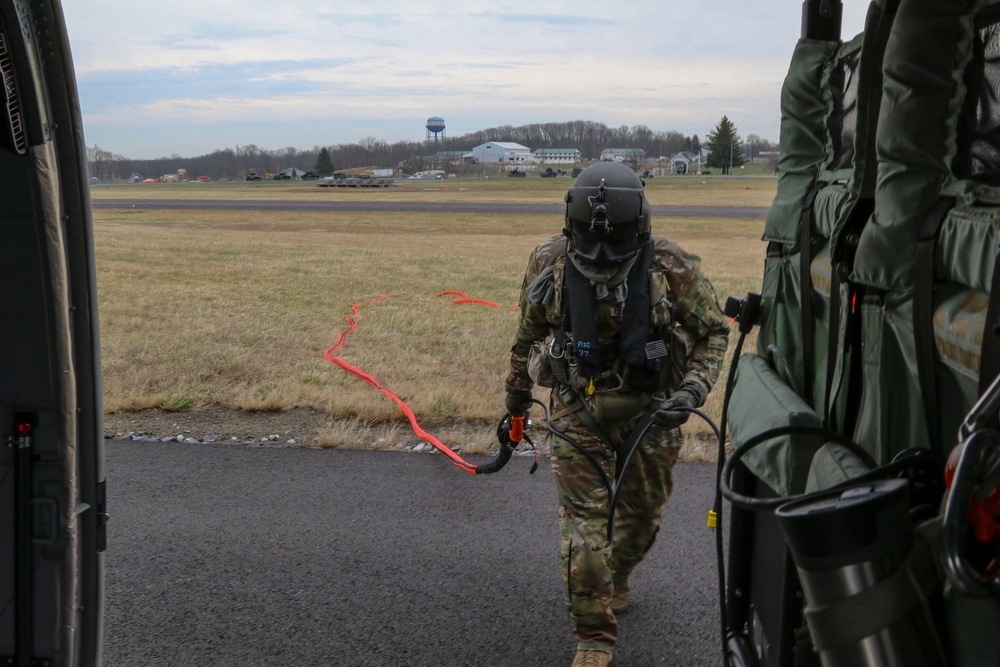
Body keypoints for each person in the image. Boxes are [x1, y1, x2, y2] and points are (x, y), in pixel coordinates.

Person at [504, 162, 730, 667]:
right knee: (584, 534)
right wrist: (515, 400)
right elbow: (525, 338)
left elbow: (715, 332)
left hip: (653, 412)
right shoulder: (549, 263)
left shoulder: (672, 265)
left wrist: (691, 392)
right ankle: (593, 637)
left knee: (642, 520)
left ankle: (617, 574)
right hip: (575, 410)